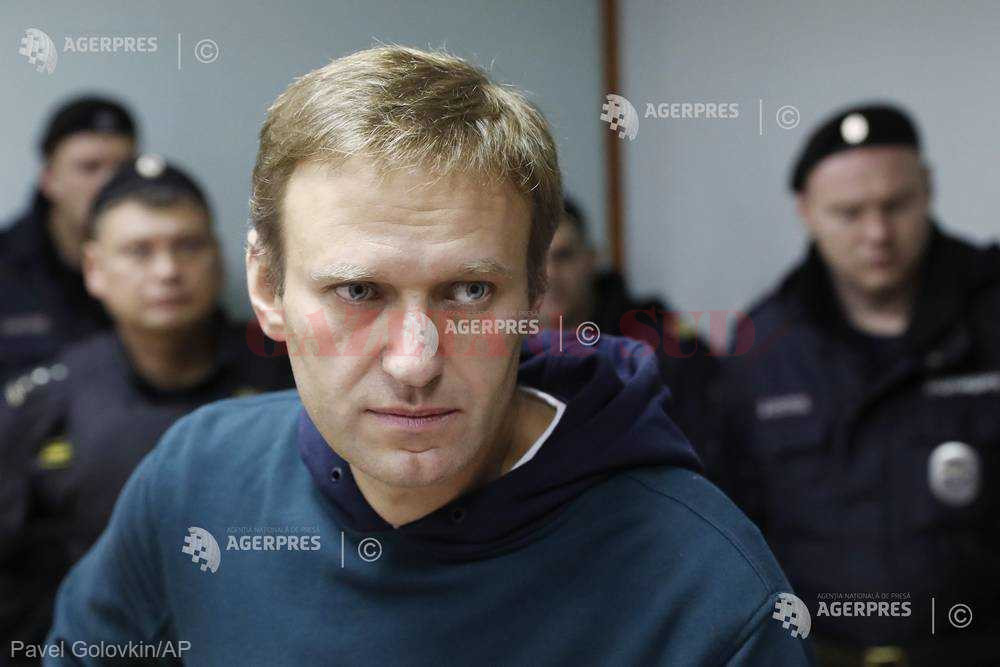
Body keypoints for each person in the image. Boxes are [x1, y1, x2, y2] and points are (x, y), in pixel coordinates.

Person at [43, 47, 811, 666]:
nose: (415, 362)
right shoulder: (198, 479)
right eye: (357, 291)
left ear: (537, 292)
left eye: (470, 291)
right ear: (267, 287)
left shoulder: (704, 588)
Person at [711, 104, 1000, 664]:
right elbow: (733, 532)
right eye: (849, 213)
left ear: (928, 189)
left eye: (896, 205)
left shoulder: (990, 315)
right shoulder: (763, 347)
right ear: (806, 212)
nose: (877, 234)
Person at [0, 155, 294, 661]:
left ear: (221, 256)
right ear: (94, 269)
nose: (167, 271)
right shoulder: (45, 401)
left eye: (188, 246)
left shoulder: (289, 378)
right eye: (139, 251)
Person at [539, 197, 718, 450]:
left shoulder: (659, 349)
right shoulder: (504, 361)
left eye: (563, 256)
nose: (549, 274)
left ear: (591, 259)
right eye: (535, 260)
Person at [0, 96, 138, 384]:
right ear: (49, 178)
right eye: (89, 167)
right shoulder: (6, 264)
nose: (109, 184)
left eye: (123, 169)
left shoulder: (162, 265)